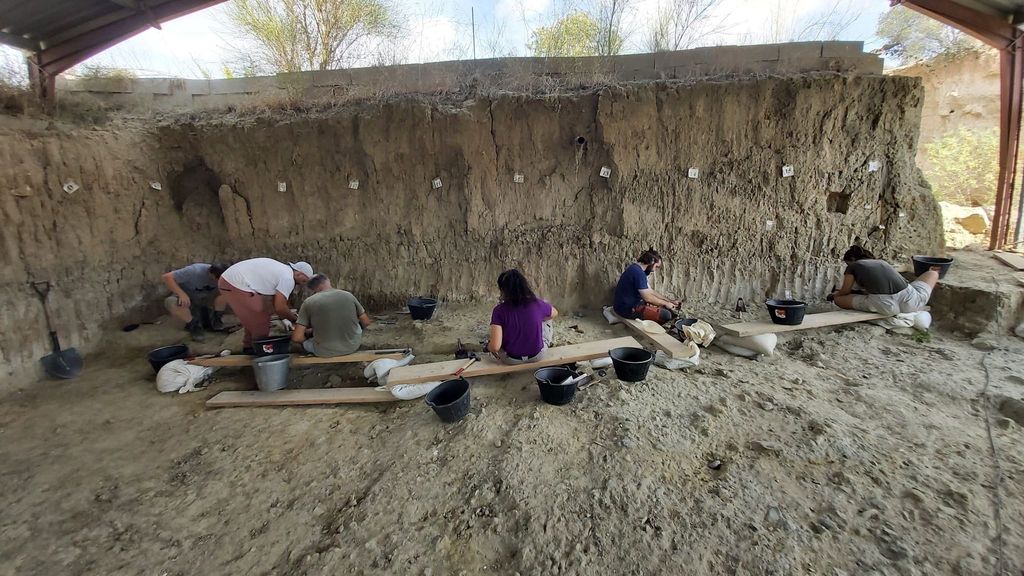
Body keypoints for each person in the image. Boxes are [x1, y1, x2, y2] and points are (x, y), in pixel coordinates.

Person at [218, 258, 314, 353]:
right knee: (261, 319)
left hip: (232, 279)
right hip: (235, 282)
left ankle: (249, 347)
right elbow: (280, 308)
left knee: (254, 316)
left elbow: (277, 302)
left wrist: (285, 317)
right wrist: (296, 321)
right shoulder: (288, 278)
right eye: (304, 281)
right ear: (299, 273)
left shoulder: (283, 271)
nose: (302, 284)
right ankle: (259, 350)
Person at [830, 245, 939, 315]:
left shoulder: (853, 266)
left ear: (852, 259)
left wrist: (835, 296)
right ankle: (935, 271)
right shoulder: (882, 263)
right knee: (932, 273)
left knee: (839, 300)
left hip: (885, 306)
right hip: (911, 301)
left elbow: (845, 291)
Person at [291, 274, 373, 357]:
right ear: (327, 281)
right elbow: (366, 322)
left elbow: (297, 337)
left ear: (312, 288)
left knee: (297, 344)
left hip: (322, 351)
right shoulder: (348, 295)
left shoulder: (308, 302)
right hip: (352, 347)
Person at [488, 269, 559, 365]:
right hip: (537, 356)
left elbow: (495, 347)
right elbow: (555, 313)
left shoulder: (499, 310)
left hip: (510, 359)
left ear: (503, 290)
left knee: (498, 328)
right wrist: (536, 319)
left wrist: (488, 346)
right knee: (547, 318)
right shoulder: (537, 303)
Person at [161, 262, 228, 342]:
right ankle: (194, 325)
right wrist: (181, 294)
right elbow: (166, 277)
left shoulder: (226, 276)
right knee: (172, 302)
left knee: (227, 293)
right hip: (188, 297)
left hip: (205, 298)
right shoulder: (194, 271)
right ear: (210, 273)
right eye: (217, 279)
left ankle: (216, 319)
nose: (218, 281)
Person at [613, 247, 680, 323]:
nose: (654, 270)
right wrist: (665, 303)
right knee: (666, 315)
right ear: (651, 262)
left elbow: (651, 291)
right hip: (626, 309)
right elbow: (648, 298)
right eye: (656, 267)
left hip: (626, 305)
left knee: (664, 307)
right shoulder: (638, 273)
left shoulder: (637, 269)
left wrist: (670, 301)